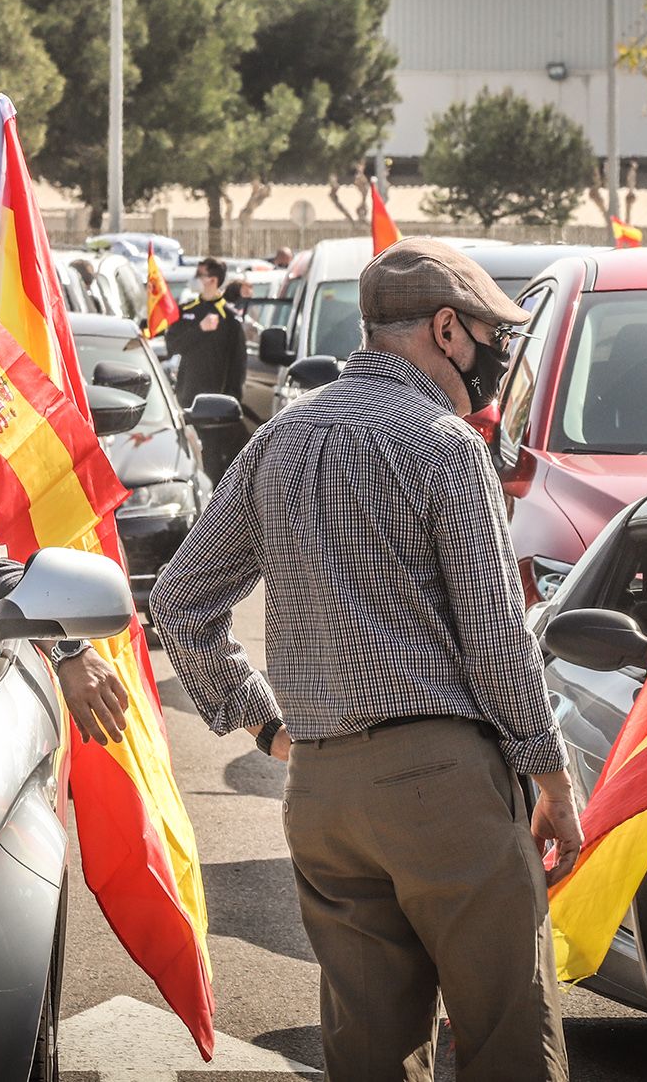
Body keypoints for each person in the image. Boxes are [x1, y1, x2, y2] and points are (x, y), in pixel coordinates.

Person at [149, 238, 581, 1082]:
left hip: (318, 794)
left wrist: (269, 724)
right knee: (508, 1039)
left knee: (369, 1051)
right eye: (492, 334)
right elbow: (497, 642)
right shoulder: (445, 444)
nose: (497, 355)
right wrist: (553, 778)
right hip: (443, 787)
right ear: (447, 329)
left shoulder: (282, 436)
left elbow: (177, 600)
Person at [167, 256, 247, 481]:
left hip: (215, 408)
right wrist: (199, 330)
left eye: (199, 275)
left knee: (212, 465)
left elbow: (238, 366)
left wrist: (230, 403)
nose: (195, 280)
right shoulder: (187, 311)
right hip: (186, 400)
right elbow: (172, 345)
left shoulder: (230, 318)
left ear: (212, 280)